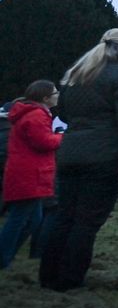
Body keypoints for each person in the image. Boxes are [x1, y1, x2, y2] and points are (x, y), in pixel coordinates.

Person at [39, 29, 118, 291]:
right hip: (105, 157)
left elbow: (66, 113)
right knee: (86, 221)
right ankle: (70, 278)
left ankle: (48, 275)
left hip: (70, 152)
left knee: (64, 216)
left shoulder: (77, 75)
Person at [0, 82, 62, 269]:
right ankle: (3, 258)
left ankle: (7, 257)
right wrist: (63, 136)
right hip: (30, 173)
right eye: (55, 93)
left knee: (32, 219)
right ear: (45, 98)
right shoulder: (36, 115)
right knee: (20, 219)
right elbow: (43, 141)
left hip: (28, 172)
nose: (57, 95)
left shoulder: (32, 113)